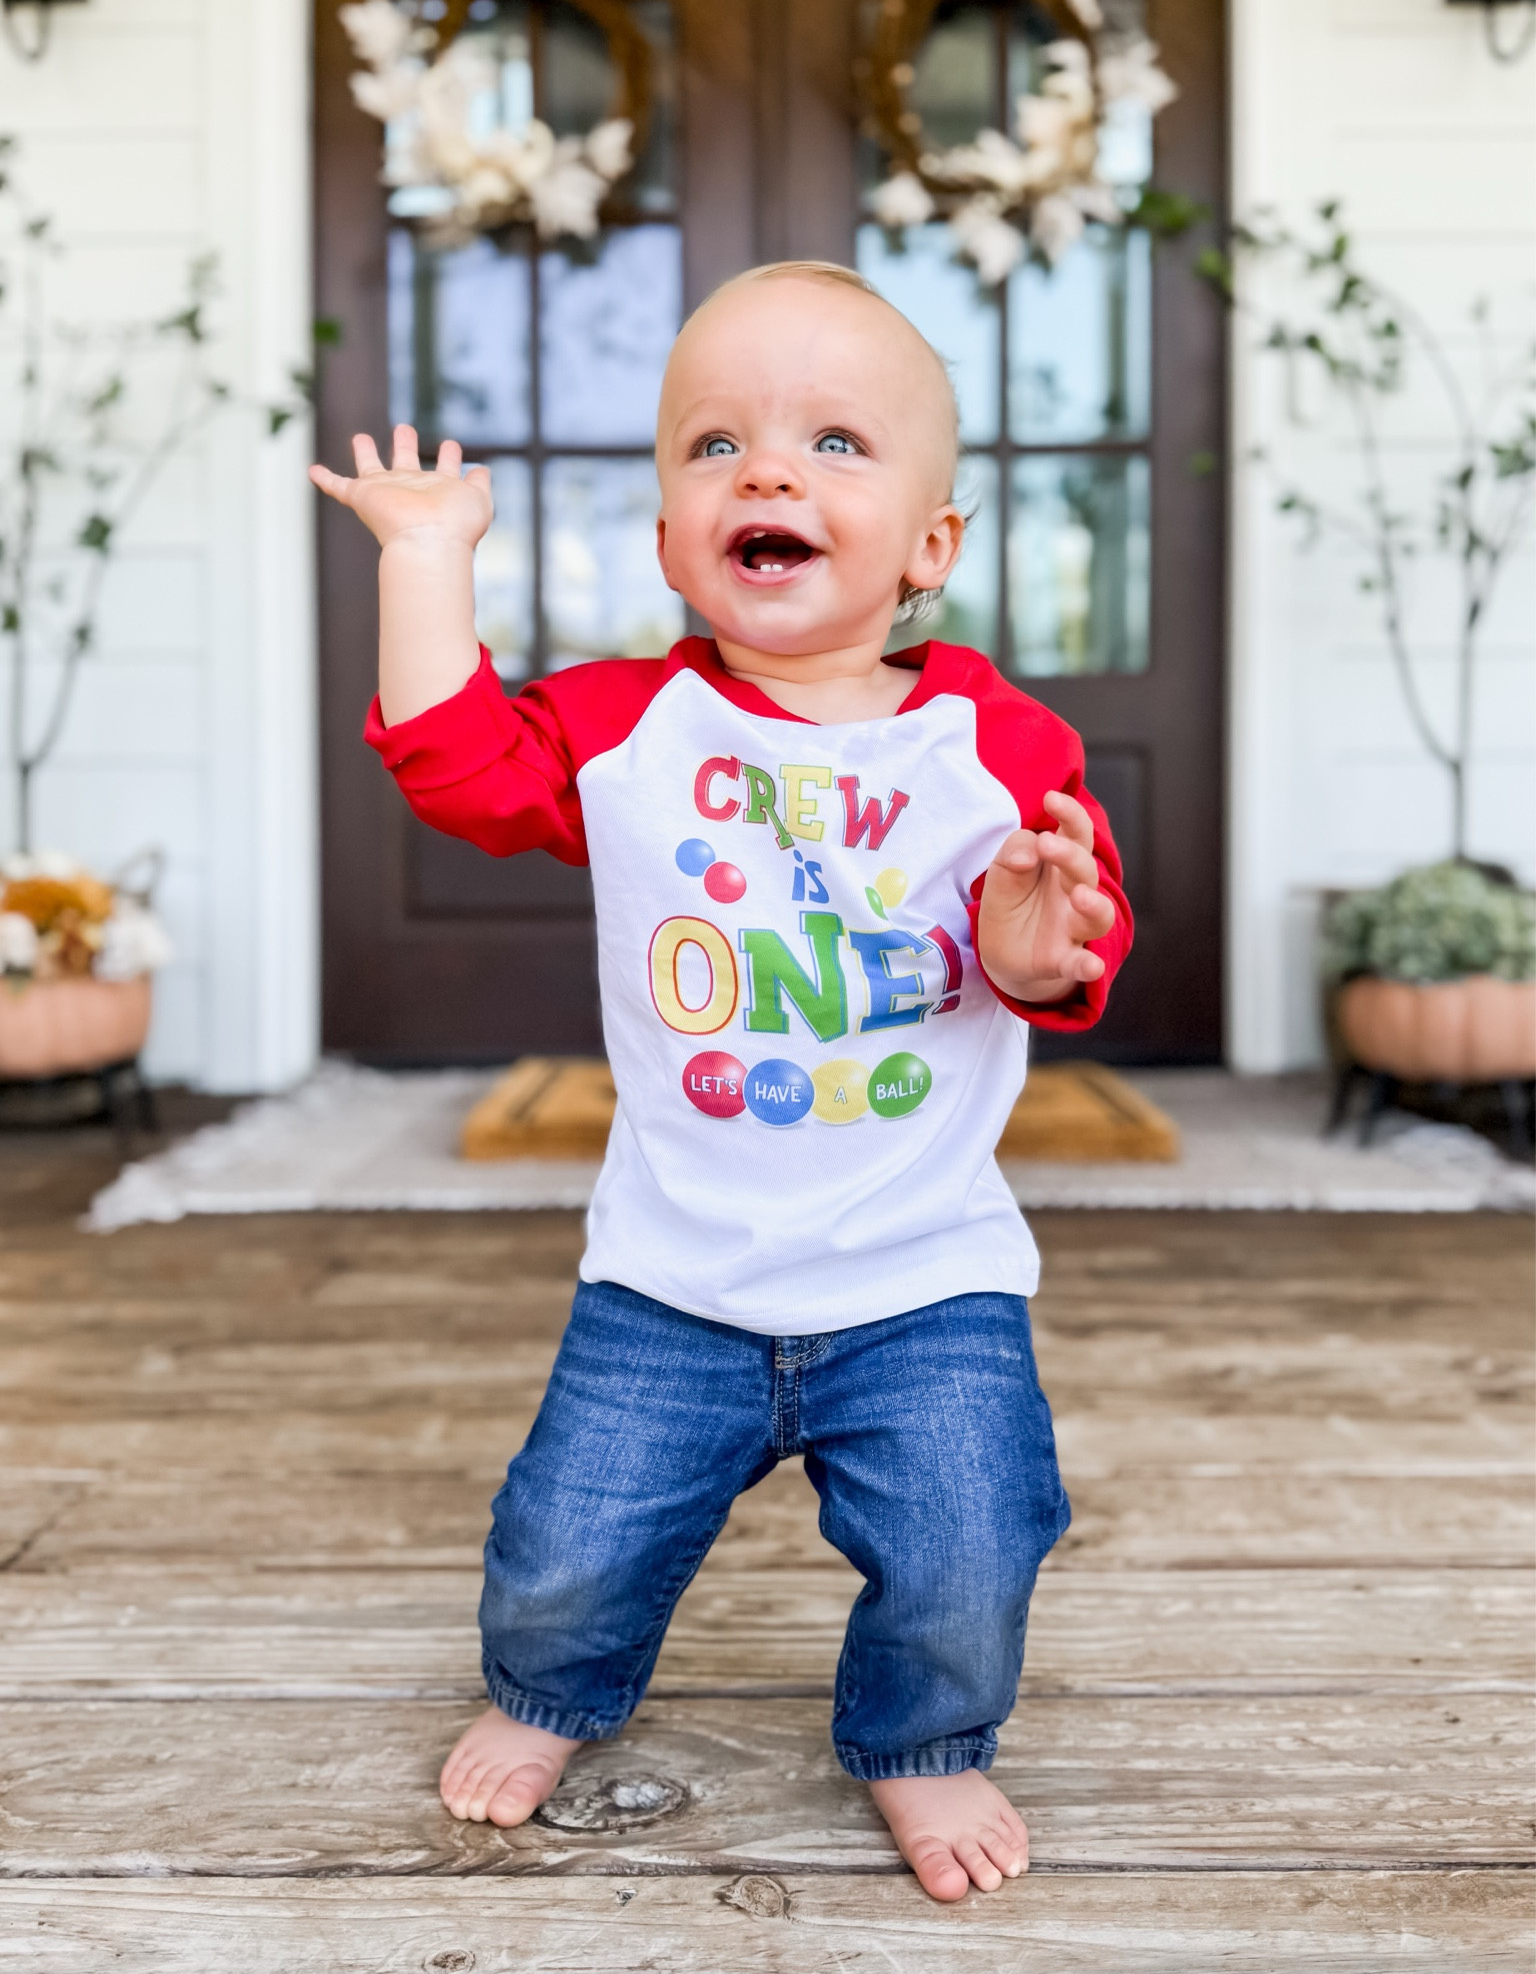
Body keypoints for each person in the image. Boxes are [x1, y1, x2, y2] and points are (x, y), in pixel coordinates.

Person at [310, 260, 1131, 1902]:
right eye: (716, 447)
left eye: (834, 443)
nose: (767, 472)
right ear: (680, 543)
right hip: (674, 1272)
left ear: (930, 548)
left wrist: (1044, 943)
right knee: (566, 1550)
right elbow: (459, 766)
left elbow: (1061, 942)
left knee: (972, 1543)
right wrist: (425, 564)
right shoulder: (633, 729)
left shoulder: (996, 748)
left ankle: (925, 1741)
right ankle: (551, 1694)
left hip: (922, 1272)